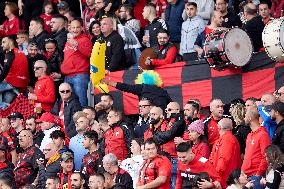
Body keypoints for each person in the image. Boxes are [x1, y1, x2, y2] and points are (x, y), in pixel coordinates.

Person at [102, 70, 172, 110]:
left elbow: (126, 87)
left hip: (151, 116)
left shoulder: (142, 87)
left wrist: (108, 82)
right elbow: (171, 104)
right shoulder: (163, 92)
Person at [61, 18, 92, 107]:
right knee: (69, 103)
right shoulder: (68, 41)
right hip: (67, 76)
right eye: (73, 27)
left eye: (77, 27)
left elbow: (90, 54)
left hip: (79, 75)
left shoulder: (85, 40)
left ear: (82, 28)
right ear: (69, 28)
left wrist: (77, 44)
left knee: (81, 102)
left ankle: (84, 120)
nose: (75, 30)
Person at [241, 110, 271, 189]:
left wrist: (258, 174)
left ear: (250, 118)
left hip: (255, 176)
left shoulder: (263, 135)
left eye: (245, 116)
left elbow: (266, 156)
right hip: (246, 176)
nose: (244, 118)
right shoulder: (249, 135)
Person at [209, 118, 241, 184]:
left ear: (219, 127)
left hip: (224, 179)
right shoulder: (223, 139)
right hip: (221, 178)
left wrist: (215, 175)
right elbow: (212, 158)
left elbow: (223, 160)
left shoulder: (228, 139)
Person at [0, 36, 29, 106]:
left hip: (12, 83)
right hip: (22, 84)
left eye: (4, 42)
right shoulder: (22, 53)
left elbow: (5, 70)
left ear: (10, 42)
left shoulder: (10, 53)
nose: (2, 45)